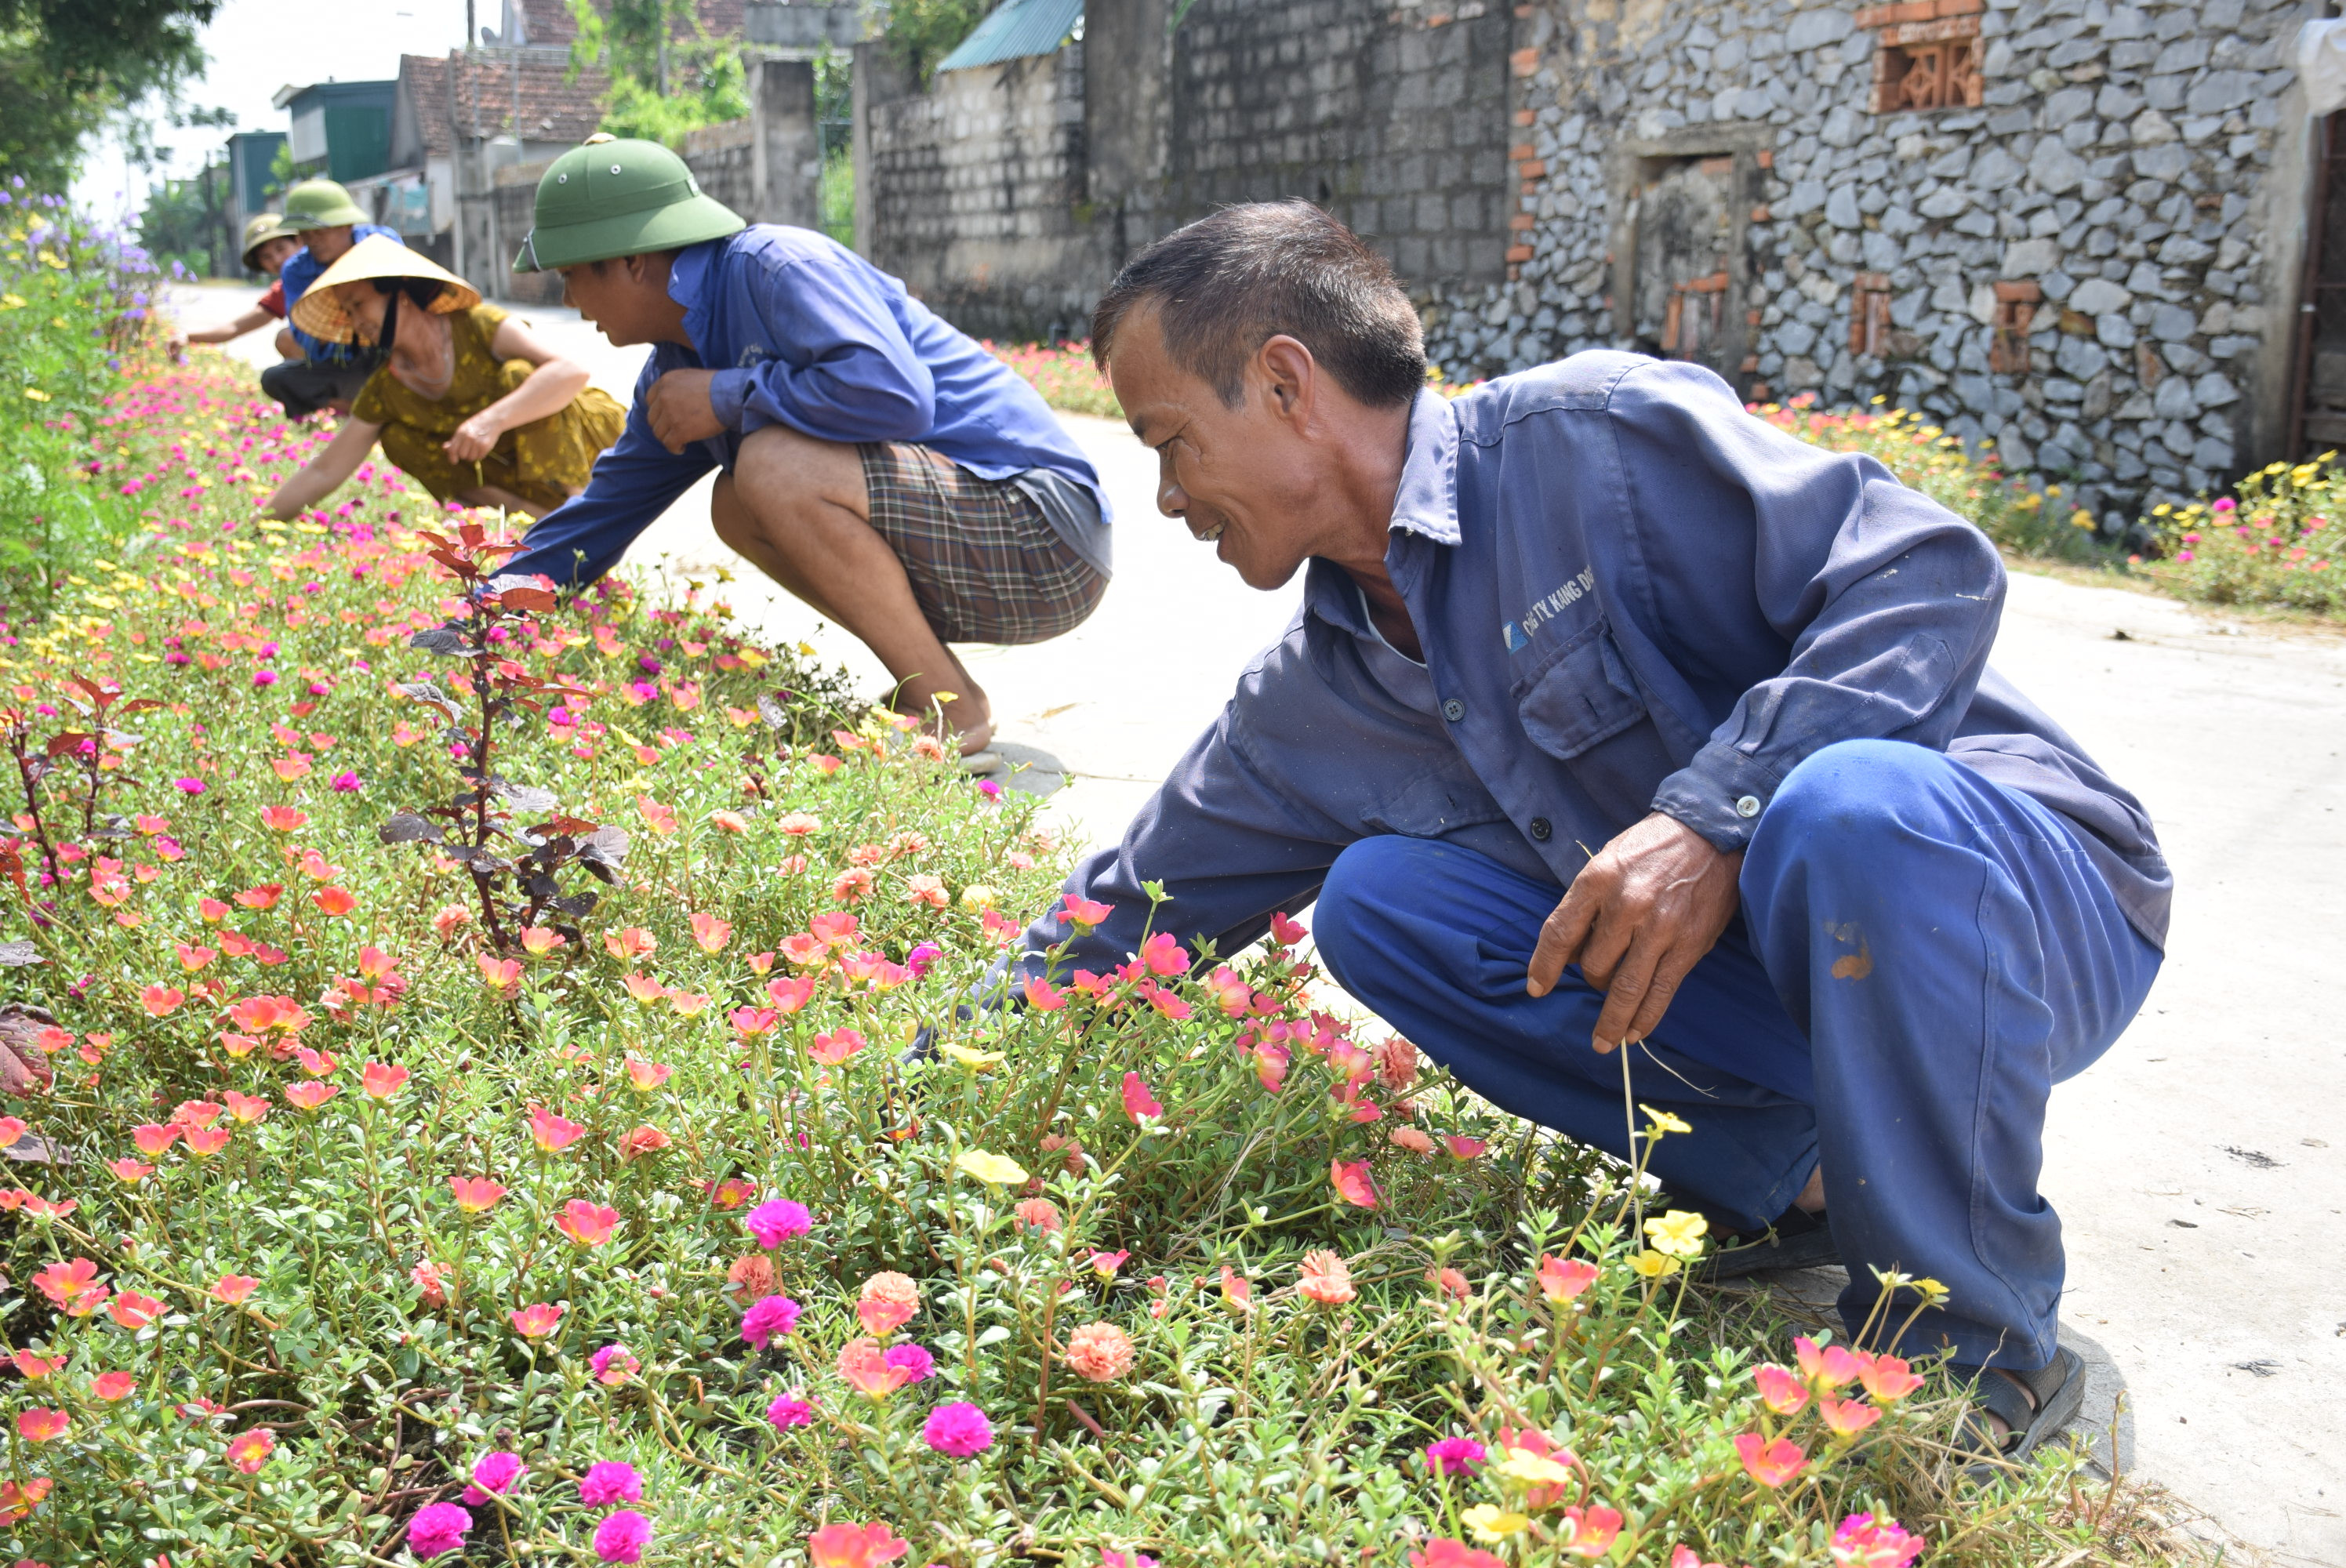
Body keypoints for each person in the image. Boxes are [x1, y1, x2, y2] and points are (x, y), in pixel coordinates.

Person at [1014, 203, 2170, 1468]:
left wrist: (1711, 817)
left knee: (1838, 807)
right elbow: (1125, 910)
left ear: (1286, 383)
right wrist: (916, 1076)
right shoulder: (1314, 703)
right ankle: (1813, 1183)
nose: (1171, 498)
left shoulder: (1593, 440)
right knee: (1380, 905)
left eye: (1172, 443)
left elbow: (1928, 573)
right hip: (1799, 992)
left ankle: (1973, 1358)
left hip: (2020, 907)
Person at [494, 136, 1112, 758]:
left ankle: (945, 709)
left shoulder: (776, 268)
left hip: (1045, 532)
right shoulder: (674, 371)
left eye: (572, 274)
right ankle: (944, 693)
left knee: (770, 467)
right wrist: (484, 611)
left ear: (632, 263)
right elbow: (603, 514)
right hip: (981, 552)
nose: (568, 300)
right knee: (734, 503)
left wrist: (731, 396)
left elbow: (899, 396)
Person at [262, 238, 623, 520]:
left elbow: (570, 372)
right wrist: (259, 524)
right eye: (348, 311)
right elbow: (325, 470)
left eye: (359, 305)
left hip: (596, 447)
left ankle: (580, 512)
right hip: (524, 482)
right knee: (398, 438)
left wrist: (490, 421)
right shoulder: (387, 388)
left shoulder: (479, 325)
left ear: (400, 295)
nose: (355, 321)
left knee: (522, 375)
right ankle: (539, 522)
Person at [260, 180, 405, 420]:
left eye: (320, 231)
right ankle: (358, 410)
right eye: (305, 234)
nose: (313, 240)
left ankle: (391, 402)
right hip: (347, 362)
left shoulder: (380, 244)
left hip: (396, 351)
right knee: (276, 378)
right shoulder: (296, 271)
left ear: (346, 226)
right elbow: (304, 332)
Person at [178, 213, 303, 358]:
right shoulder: (283, 291)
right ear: (260, 263)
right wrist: (186, 336)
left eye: (281, 249)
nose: (276, 260)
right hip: (322, 363)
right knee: (282, 351)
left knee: (286, 338)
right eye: (266, 257)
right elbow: (234, 328)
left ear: (299, 242)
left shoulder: (324, 271)